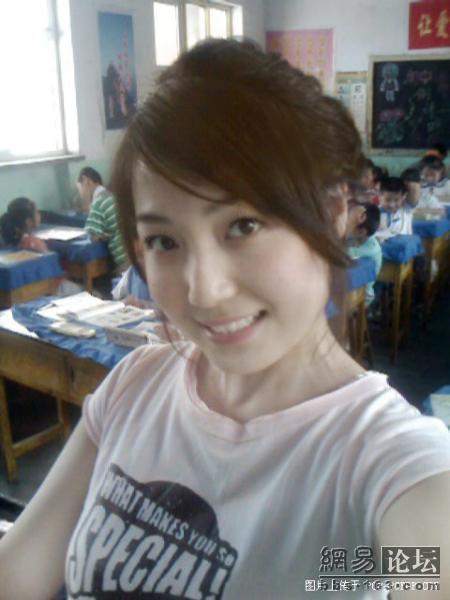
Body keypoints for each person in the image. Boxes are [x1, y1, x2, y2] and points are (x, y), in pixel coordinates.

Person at [0, 39, 449, 600]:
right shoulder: (136, 385)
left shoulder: (383, 459)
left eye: (243, 225)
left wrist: (334, 574)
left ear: (334, 211)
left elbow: (420, 563)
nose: (204, 291)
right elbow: (16, 574)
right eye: (165, 241)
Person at [79, 166, 128, 271]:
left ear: (86, 180)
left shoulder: (99, 202)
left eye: (80, 187)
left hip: (124, 258)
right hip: (134, 252)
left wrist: (103, 236)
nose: (80, 193)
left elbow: (93, 237)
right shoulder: (110, 195)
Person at [346, 202, 382, 305]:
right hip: (354, 288)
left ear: (361, 232)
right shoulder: (358, 238)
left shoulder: (369, 250)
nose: (346, 223)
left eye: (349, 221)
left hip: (363, 295)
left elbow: (340, 254)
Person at [376, 176, 413, 241]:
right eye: (387, 200)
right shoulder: (374, 213)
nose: (392, 205)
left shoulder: (406, 213)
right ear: (380, 196)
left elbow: (408, 235)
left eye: (396, 200)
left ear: (403, 197)